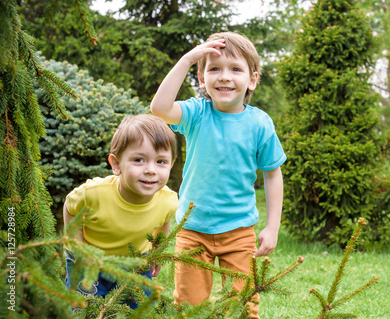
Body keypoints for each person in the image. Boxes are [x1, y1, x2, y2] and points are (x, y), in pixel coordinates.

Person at [150, 31, 286, 318]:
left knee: (242, 306)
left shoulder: (260, 124)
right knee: (189, 306)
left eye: (235, 69)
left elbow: (273, 175)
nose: (224, 76)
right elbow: (159, 108)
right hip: (192, 228)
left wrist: (272, 227)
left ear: (252, 80)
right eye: (214, 69)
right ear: (202, 80)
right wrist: (188, 59)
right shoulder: (196, 114)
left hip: (239, 230)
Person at [63, 114, 178, 308]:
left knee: (139, 309)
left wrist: (157, 252)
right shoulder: (93, 193)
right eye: (139, 159)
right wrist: (79, 247)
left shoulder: (168, 200)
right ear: (116, 165)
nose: (151, 170)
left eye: (161, 162)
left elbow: (164, 220)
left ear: (171, 164)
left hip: (136, 263)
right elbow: (70, 207)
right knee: (84, 308)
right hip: (90, 261)